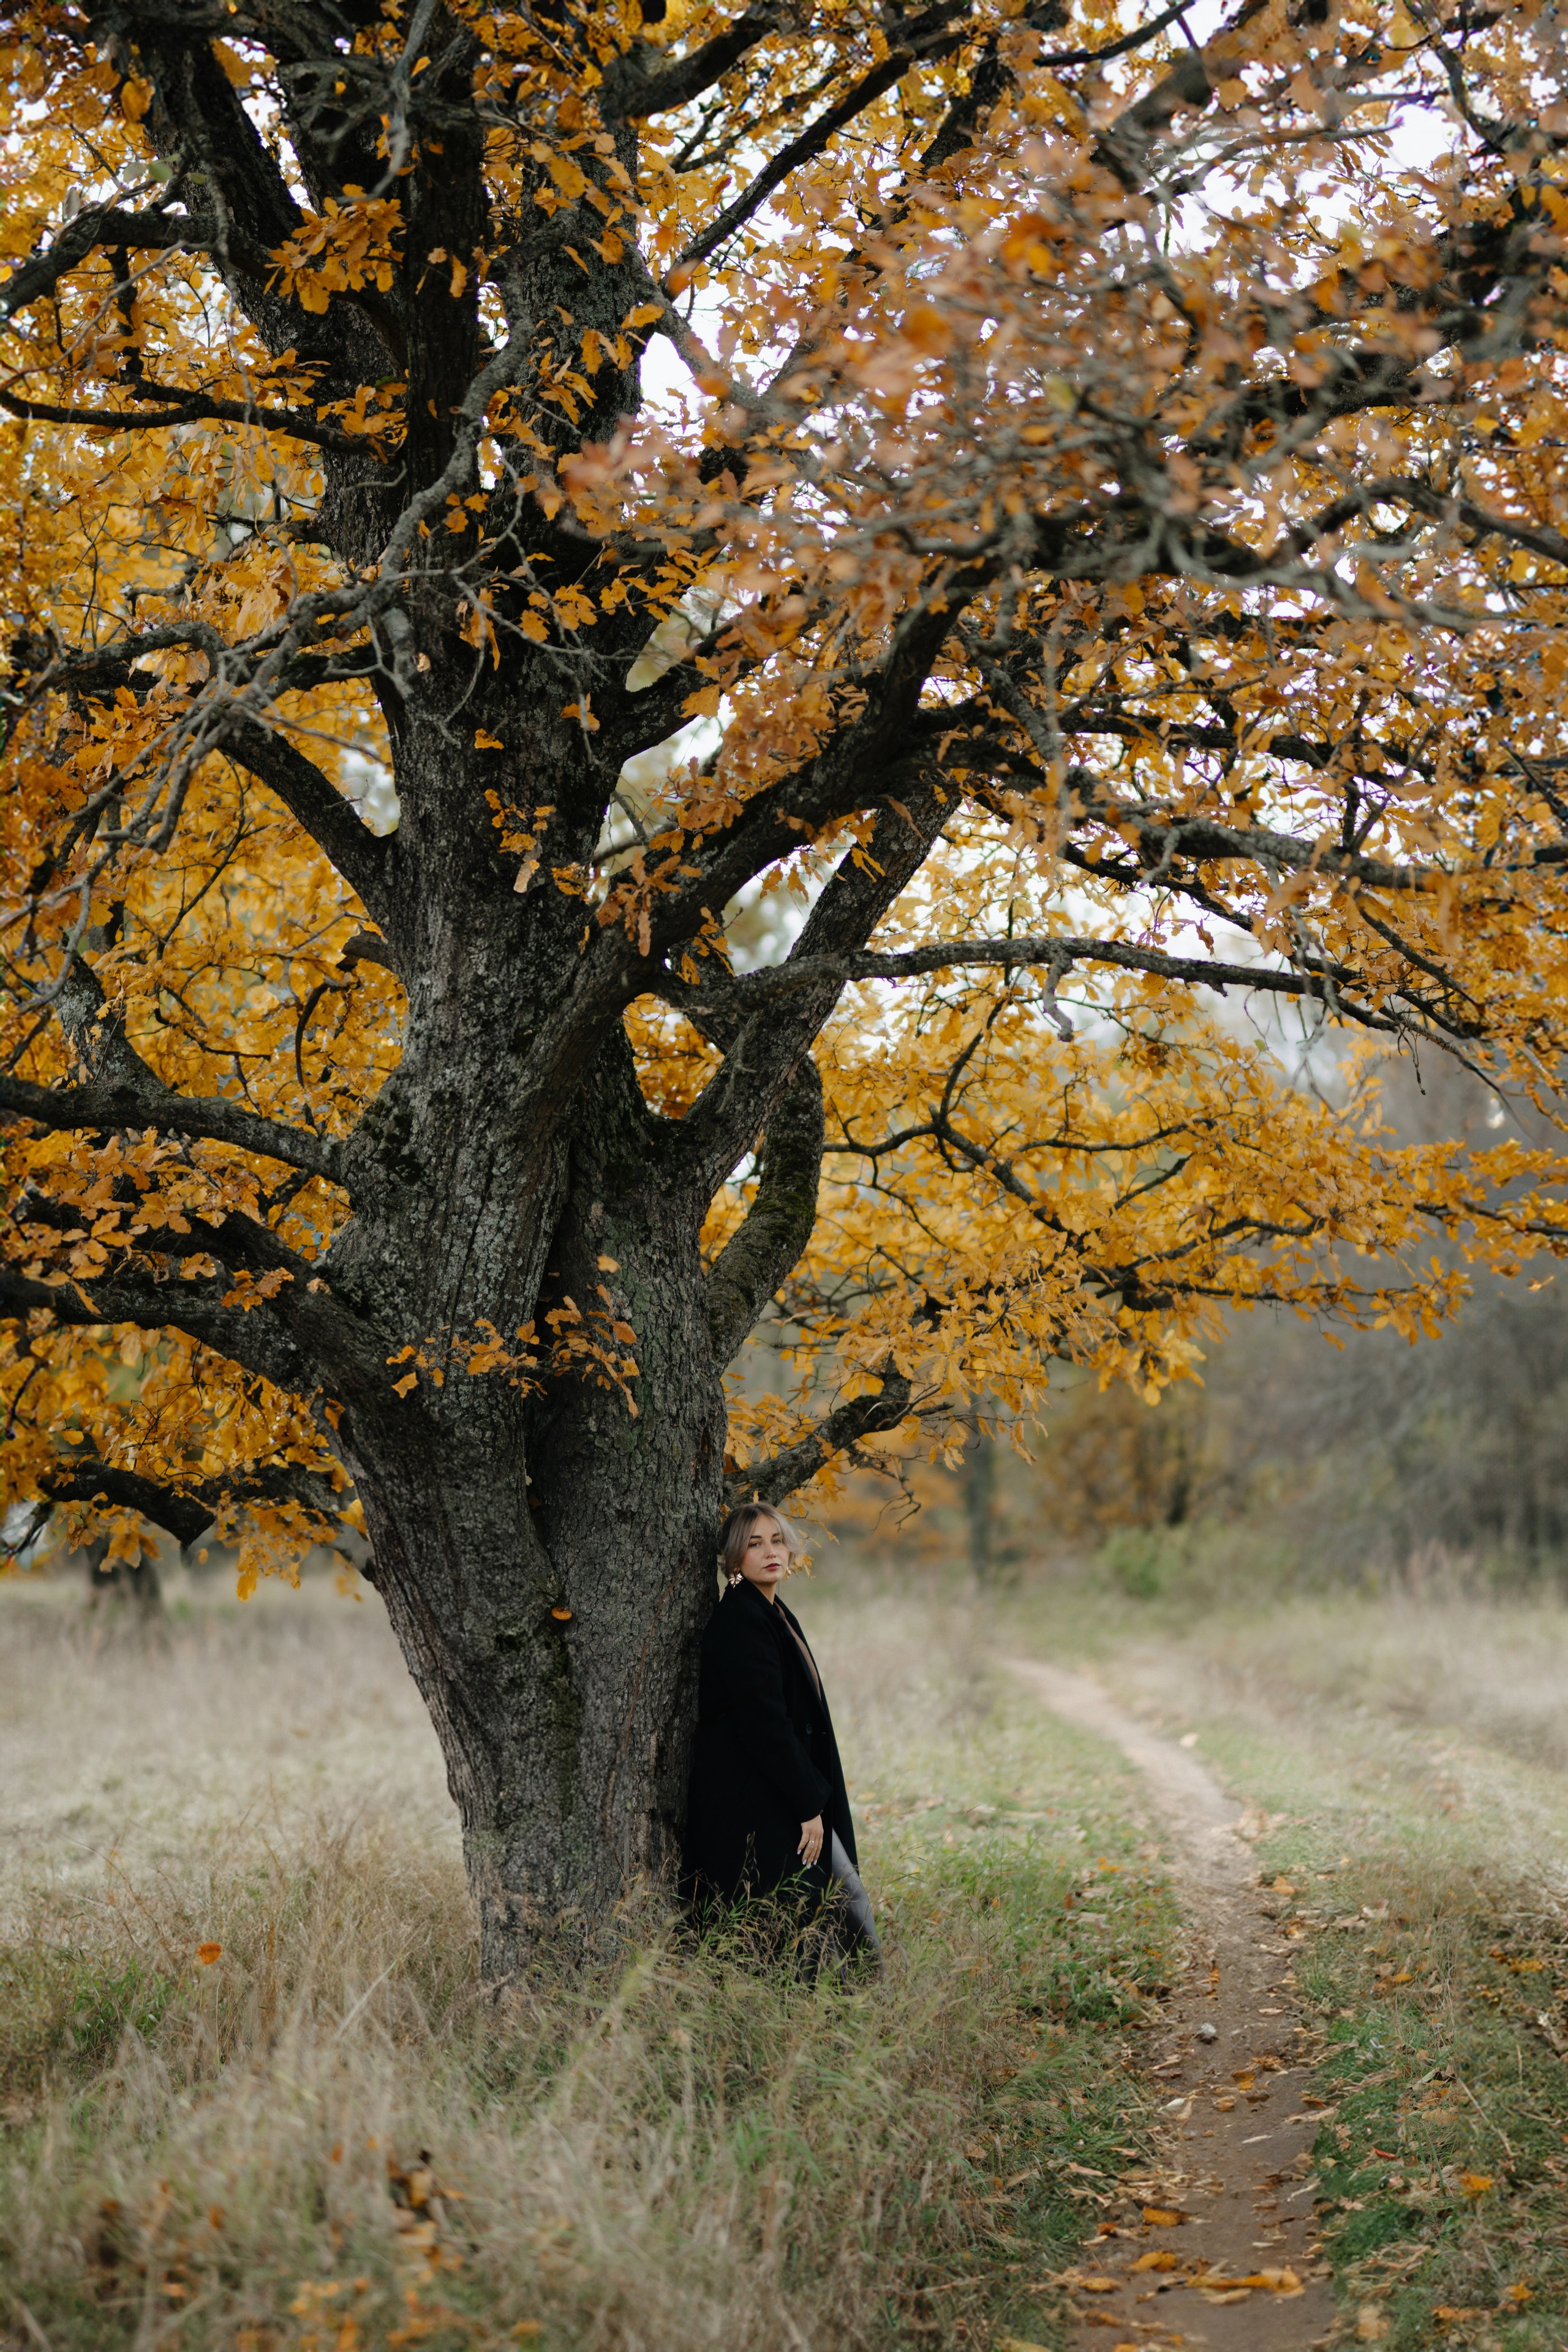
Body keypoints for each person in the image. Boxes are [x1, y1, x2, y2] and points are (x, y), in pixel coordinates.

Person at [682, 1502, 880, 1965]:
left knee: (834, 1914)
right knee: (794, 1927)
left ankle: (835, 2015)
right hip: (760, 1805)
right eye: (754, 1545)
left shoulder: (771, 1611)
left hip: (778, 1795)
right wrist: (808, 1804)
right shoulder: (740, 1621)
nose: (771, 1552)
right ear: (733, 1561)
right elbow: (765, 1724)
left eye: (777, 1540)